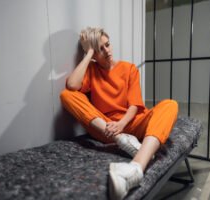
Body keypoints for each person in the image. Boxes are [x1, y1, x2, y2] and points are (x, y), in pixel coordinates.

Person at [60, 27, 178, 200]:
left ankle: (136, 168)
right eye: (100, 49)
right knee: (66, 95)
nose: (107, 51)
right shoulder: (91, 70)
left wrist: (121, 125)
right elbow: (71, 86)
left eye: (107, 45)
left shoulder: (129, 69)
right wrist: (88, 53)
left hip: (131, 123)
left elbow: (135, 105)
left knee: (170, 104)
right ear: (92, 54)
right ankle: (121, 140)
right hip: (105, 129)